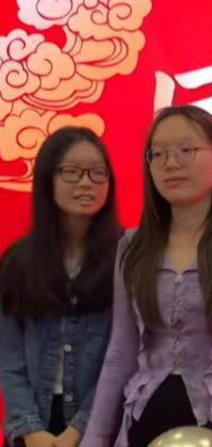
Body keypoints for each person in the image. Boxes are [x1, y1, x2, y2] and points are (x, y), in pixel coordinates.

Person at [80, 105, 212, 447]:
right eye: (158, 154)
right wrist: (94, 439)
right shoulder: (133, 247)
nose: (171, 163)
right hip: (143, 421)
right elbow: (120, 354)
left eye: (186, 150)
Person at [0, 127, 122, 447]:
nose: (86, 182)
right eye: (72, 172)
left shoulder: (127, 258)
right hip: (34, 426)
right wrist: (30, 429)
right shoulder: (18, 262)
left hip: (99, 428)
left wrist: (79, 430)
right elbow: (9, 359)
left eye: (97, 173)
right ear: (46, 180)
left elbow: (121, 358)